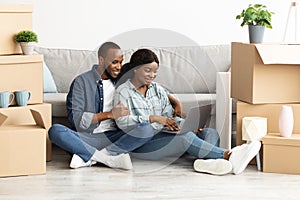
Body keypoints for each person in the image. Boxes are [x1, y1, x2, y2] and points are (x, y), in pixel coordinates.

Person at [113, 48, 261, 175]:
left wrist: (184, 125)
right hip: (144, 144)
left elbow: (168, 115)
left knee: (210, 133)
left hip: (165, 134)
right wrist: (153, 118)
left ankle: (207, 163)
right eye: (148, 71)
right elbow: (122, 123)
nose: (152, 75)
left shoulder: (156, 89)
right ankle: (229, 155)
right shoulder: (123, 92)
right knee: (186, 138)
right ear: (135, 69)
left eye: (155, 71)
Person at [48, 42, 183, 170]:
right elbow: (76, 119)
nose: (119, 67)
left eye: (121, 62)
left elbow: (151, 85)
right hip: (90, 137)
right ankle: (107, 159)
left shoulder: (121, 78)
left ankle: (88, 157)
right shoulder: (81, 82)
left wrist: (174, 101)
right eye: (114, 62)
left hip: (118, 136)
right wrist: (109, 115)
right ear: (101, 60)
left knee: (145, 129)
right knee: (56, 131)